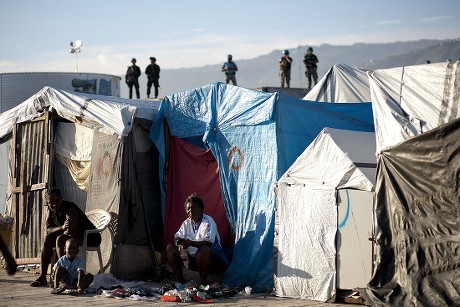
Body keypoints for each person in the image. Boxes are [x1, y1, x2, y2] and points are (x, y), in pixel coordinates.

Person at [30, 187, 101, 287]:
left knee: (61, 240)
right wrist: (62, 227)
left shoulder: (70, 209)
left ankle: (64, 276)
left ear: (61, 199)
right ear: (47, 203)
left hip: (90, 237)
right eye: (51, 203)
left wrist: (61, 230)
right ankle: (42, 277)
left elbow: (71, 233)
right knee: (48, 239)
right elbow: (49, 229)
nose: (54, 204)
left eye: (57, 201)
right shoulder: (51, 211)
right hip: (74, 236)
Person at [165, 193, 229, 286]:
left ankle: (203, 283)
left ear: (201, 209)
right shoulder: (187, 223)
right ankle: (180, 282)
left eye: (194, 208)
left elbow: (208, 244)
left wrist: (189, 243)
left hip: (214, 260)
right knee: (170, 248)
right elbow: (177, 236)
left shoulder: (208, 221)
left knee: (204, 250)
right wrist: (179, 242)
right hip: (195, 260)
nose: (190, 211)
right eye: (188, 209)